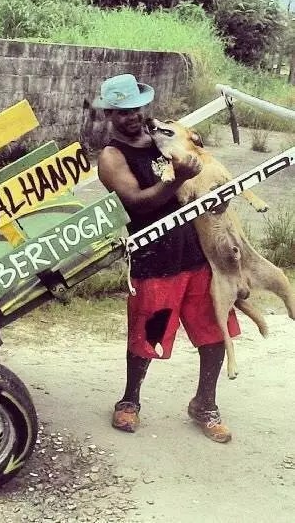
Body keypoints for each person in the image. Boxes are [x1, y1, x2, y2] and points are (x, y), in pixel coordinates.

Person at [94, 73, 240, 443]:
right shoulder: (112, 157)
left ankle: (205, 404)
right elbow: (136, 202)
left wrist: (214, 197)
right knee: (148, 334)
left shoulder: (164, 139)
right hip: (154, 259)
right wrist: (175, 178)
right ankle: (130, 400)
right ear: (109, 114)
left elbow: (199, 182)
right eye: (122, 111)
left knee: (213, 330)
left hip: (196, 252)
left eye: (136, 108)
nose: (132, 116)